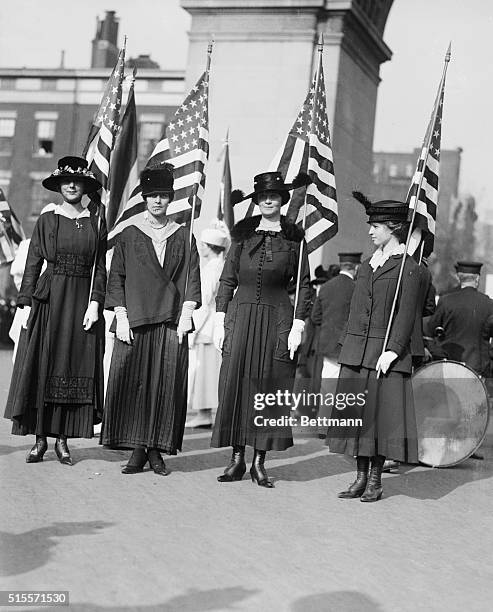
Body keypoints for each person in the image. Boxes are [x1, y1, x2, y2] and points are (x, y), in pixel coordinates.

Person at [211, 171, 311, 487]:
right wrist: (219, 318)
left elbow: (305, 285)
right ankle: (237, 459)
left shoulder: (295, 238)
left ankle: (259, 462)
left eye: (275, 195)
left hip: (277, 320)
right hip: (240, 318)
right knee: (237, 384)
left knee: (269, 388)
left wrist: (298, 323)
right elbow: (227, 279)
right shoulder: (242, 236)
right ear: (256, 200)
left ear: (282, 200)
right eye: (263, 196)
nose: (269, 200)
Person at [4, 156, 106, 465]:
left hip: (80, 302)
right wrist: (24, 304)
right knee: (45, 364)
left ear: (85, 186)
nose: (72, 185)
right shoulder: (48, 219)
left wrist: (95, 302)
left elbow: (99, 267)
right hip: (49, 300)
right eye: (66, 181)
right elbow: (34, 263)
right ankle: (40, 439)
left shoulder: (96, 221)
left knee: (72, 366)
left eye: (77, 181)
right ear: (59, 186)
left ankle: (63, 440)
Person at [101, 162, 201, 475]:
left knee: (165, 384)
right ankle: (137, 448)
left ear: (170, 199)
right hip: (135, 320)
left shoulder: (184, 236)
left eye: (163, 195)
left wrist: (187, 311)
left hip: (170, 321)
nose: (158, 201)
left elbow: (190, 276)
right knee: (133, 383)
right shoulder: (129, 235)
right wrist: (120, 314)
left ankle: (156, 448)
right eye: (153, 195)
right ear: (145, 198)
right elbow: (116, 276)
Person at [326, 192, 420, 502]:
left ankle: (376, 480)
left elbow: (407, 313)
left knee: (378, 421)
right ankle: (360, 477)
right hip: (358, 352)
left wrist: (393, 349)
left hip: (384, 354)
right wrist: (347, 349)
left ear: (392, 227)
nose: (370, 231)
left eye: (375, 226)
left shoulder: (409, 268)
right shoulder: (367, 266)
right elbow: (355, 310)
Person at [427, 261, 493, 460]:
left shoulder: (446, 301)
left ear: (459, 278)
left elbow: (431, 328)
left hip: (450, 360)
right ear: (478, 279)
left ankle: (444, 445)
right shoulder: (489, 304)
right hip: (476, 362)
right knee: (471, 406)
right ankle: (467, 448)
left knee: (449, 404)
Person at [186, 220, 230, 428]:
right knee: (209, 371)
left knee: (206, 371)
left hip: (206, 325)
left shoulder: (212, 269)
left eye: (203, 244)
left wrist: (191, 328)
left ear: (210, 247)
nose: (201, 248)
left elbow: (202, 302)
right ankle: (206, 412)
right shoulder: (218, 266)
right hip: (212, 324)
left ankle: (204, 413)